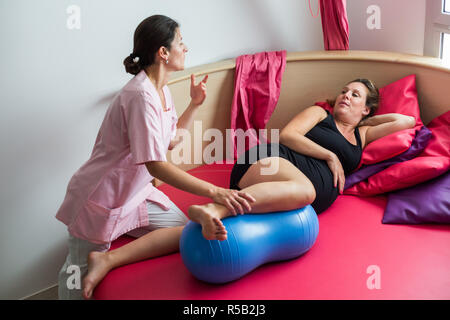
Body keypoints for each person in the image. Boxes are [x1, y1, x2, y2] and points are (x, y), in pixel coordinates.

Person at [56, 15, 255, 300]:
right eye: (181, 43)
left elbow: (171, 141)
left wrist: (195, 105)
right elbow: (156, 165)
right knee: (75, 274)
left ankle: (109, 259)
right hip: (101, 198)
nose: (186, 48)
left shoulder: (161, 92)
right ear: (163, 52)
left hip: (136, 195)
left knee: (185, 232)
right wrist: (215, 191)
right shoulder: (139, 96)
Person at [188, 79, 416, 240]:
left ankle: (208, 219)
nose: (345, 95)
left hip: (280, 191)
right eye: (344, 91)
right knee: (306, 190)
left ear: (366, 108)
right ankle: (215, 208)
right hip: (267, 160)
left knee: (303, 192)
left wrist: (364, 121)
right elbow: (287, 135)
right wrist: (329, 155)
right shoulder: (320, 114)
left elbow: (405, 121)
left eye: (355, 95)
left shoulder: (362, 135)